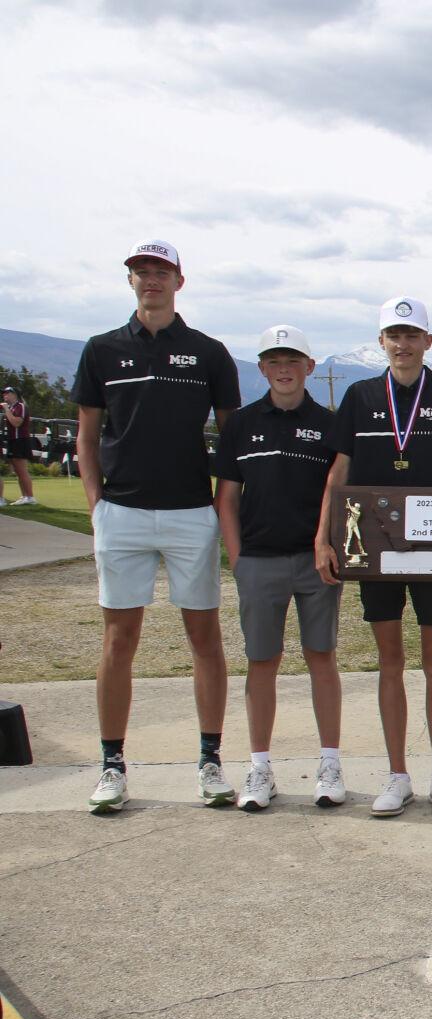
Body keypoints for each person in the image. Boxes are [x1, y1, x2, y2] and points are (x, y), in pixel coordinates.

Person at [73, 239, 241, 813]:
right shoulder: (101, 351)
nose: (151, 280)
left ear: (179, 281)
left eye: (160, 272)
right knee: (120, 640)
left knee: (204, 638)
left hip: (190, 512)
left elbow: (232, 440)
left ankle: (210, 759)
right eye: (141, 272)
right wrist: (97, 504)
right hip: (121, 512)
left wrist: (221, 507)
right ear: (131, 282)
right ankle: (112, 764)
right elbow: (87, 438)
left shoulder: (208, 352)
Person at [316, 297, 432, 817]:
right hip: (375, 551)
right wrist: (324, 538)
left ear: (428, 342)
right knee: (390, 662)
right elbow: (338, 474)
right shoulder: (360, 396)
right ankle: (396, 775)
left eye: (412, 334)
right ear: (381, 342)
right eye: (394, 334)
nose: (403, 343)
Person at [214, 326, 344, 810]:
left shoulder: (330, 425)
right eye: (274, 361)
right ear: (262, 367)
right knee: (261, 663)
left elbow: (341, 495)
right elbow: (226, 499)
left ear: (310, 367)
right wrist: (238, 559)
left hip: (316, 564)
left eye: (293, 360)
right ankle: (260, 768)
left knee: (321, 658)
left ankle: (329, 762)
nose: (284, 369)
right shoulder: (242, 424)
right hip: (260, 562)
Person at [1, 387, 35, 505]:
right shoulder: (11, 408)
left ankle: (30, 496)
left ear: (15, 395)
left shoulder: (20, 406)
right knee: (17, 470)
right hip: (13, 441)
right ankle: (24, 495)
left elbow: (16, 423)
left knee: (22, 470)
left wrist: (6, 409)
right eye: (4, 393)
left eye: (7, 393)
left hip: (20, 440)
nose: (5, 395)